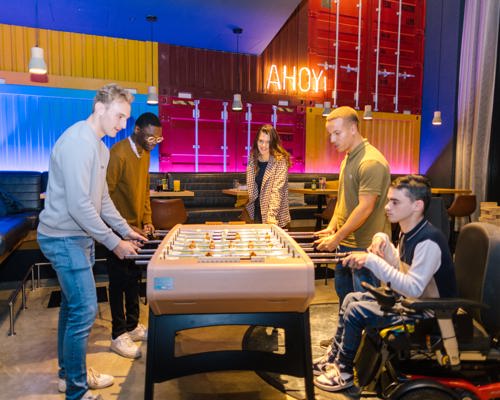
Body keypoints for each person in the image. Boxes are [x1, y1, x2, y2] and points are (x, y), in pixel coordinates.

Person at [37, 83, 147, 400]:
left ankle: (68, 376)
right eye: (120, 116)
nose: (123, 125)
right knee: (85, 311)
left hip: (78, 237)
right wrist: (114, 243)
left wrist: (125, 230)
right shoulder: (77, 143)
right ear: (100, 108)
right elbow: (79, 206)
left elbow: (101, 201)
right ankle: (76, 390)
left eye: (126, 118)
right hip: (63, 238)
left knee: (73, 309)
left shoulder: (99, 147)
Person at [313, 175, 457, 392]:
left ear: (417, 205)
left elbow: (412, 287)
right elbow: (401, 269)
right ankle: (335, 358)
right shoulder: (409, 232)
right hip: (416, 303)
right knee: (352, 298)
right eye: (389, 201)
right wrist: (385, 244)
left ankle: (343, 372)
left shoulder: (429, 241)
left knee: (357, 311)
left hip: (432, 314)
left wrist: (372, 261)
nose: (387, 207)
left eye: (395, 202)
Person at [315, 106, 391, 306]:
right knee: (345, 299)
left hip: (365, 246)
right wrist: (332, 227)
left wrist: (337, 237)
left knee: (366, 305)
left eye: (337, 133)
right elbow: (343, 199)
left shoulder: (370, 161)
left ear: (353, 129)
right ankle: (345, 338)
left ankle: (365, 339)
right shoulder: (348, 157)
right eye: (330, 134)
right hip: (346, 242)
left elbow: (365, 208)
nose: (332, 140)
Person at [106, 112, 162, 359]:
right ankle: (118, 334)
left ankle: (132, 325)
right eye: (151, 136)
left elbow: (144, 194)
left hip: (137, 230)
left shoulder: (145, 154)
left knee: (132, 279)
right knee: (118, 282)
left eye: (157, 139)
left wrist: (147, 221)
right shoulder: (118, 154)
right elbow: (103, 197)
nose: (153, 142)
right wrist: (123, 228)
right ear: (137, 130)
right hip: (116, 231)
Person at [245, 124, 291, 228]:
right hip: (257, 210)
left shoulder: (280, 161)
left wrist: (271, 215)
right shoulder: (253, 159)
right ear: (256, 141)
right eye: (261, 141)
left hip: (274, 213)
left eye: (268, 142)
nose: (264, 145)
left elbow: (277, 190)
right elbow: (252, 188)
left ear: (273, 143)